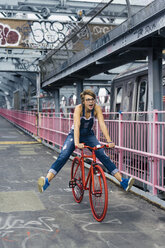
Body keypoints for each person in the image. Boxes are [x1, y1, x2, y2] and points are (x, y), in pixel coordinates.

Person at [38, 89, 134, 193]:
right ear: (83, 101)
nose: (91, 102)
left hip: (89, 135)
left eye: (92, 99)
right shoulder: (78, 109)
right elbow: (77, 126)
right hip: (75, 135)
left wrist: (109, 141)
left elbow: (102, 124)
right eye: (88, 100)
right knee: (64, 155)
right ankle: (46, 181)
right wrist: (76, 143)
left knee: (103, 155)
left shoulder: (96, 108)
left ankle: (123, 182)